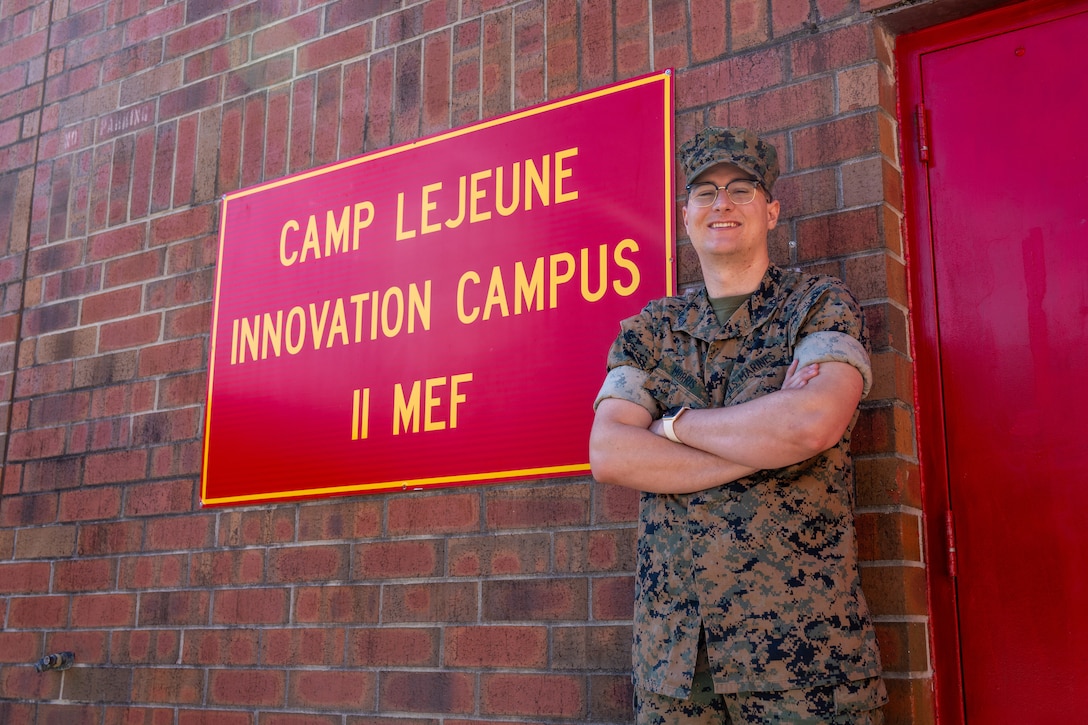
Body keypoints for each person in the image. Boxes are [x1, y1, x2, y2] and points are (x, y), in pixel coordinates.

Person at [589, 127, 886, 724]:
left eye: (741, 189)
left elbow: (810, 424)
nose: (721, 204)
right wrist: (761, 438)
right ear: (686, 215)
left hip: (804, 665)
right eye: (705, 192)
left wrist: (669, 428)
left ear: (771, 210)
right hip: (677, 666)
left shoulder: (818, 307)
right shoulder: (651, 330)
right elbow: (611, 454)